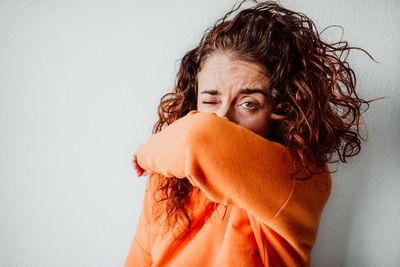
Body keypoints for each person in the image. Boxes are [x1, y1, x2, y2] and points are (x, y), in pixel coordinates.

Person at [125, 0, 377, 266]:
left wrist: (144, 154)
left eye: (249, 104)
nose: (222, 120)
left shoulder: (299, 176)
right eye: (210, 101)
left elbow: (198, 136)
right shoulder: (167, 181)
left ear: (281, 109)